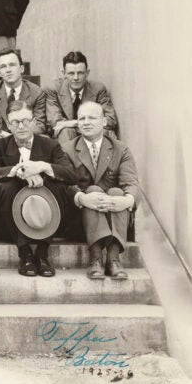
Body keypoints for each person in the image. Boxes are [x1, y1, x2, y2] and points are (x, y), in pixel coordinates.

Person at [0, 100, 77, 277]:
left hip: (43, 214)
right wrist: (19, 170)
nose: (21, 126)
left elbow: (71, 174)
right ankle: (24, 252)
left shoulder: (50, 145)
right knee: (6, 186)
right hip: (8, 218)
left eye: (25, 121)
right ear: (8, 125)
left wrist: (42, 167)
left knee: (58, 184)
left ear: (33, 122)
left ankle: (42, 252)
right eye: (15, 122)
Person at [63, 101, 139, 280]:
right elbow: (64, 185)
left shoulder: (121, 149)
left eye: (92, 118)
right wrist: (82, 198)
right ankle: (95, 258)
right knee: (93, 189)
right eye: (82, 118)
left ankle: (113, 259)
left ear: (104, 122)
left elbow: (131, 182)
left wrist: (127, 200)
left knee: (118, 193)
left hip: (114, 216)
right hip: (80, 219)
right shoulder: (67, 149)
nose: (86, 122)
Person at [46, 51, 118, 146]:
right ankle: (68, 160)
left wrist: (75, 123)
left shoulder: (98, 89)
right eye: (71, 73)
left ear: (87, 73)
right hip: (66, 137)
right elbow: (56, 122)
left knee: (105, 133)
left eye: (80, 73)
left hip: (90, 133)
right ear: (64, 73)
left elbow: (111, 120)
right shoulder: (53, 89)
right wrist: (87, 122)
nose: (76, 78)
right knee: (66, 131)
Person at [0, 48, 47, 135]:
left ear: (21, 69)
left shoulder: (36, 92)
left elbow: (40, 127)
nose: (8, 70)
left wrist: (13, 135)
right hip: (0, 141)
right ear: (0, 73)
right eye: (3, 66)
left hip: (26, 139)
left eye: (12, 65)